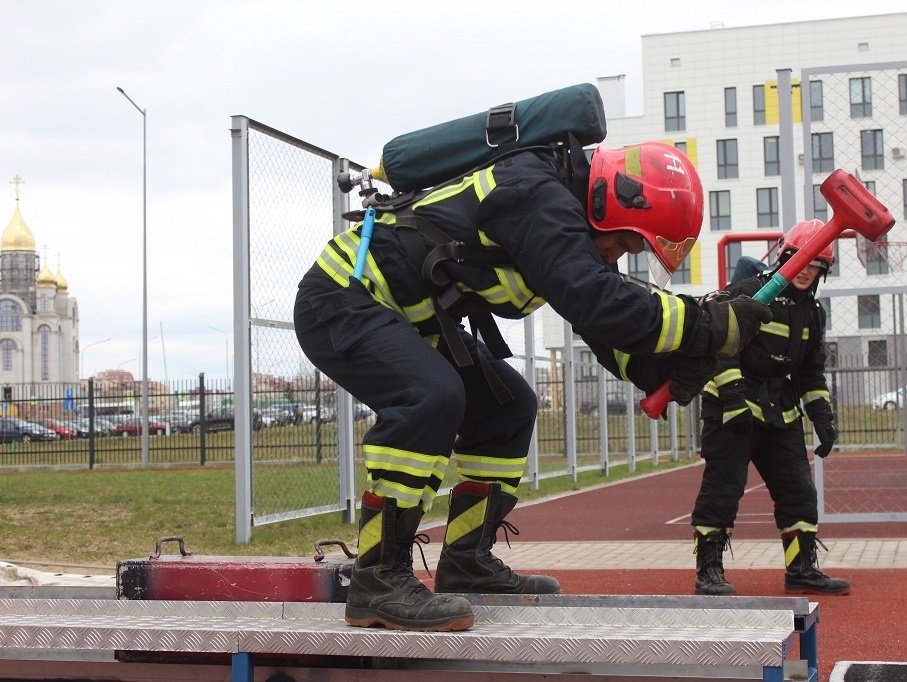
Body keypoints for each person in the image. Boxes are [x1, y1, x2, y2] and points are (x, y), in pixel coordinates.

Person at [293, 136, 772, 632]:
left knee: (508, 409)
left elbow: (594, 316)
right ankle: (378, 579)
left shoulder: (557, 211)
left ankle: (465, 564)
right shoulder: (539, 197)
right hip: (342, 299)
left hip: (409, 319)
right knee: (431, 398)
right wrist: (703, 325)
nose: (617, 255)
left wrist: (657, 368)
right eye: (625, 242)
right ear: (611, 201)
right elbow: (595, 300)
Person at [690, 219, 850, 597]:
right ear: (785, 258)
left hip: (781, 411)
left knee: (798, 492)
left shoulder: (813, 314)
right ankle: (708, 570)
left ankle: (802, 569)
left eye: (816, 266)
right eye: (802, 261)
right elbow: (719, 349)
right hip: (732, 412)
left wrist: (822, 419)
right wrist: (733, 401)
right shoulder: (749, 293)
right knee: (723, 490)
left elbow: (811, 371)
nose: (807, 271)